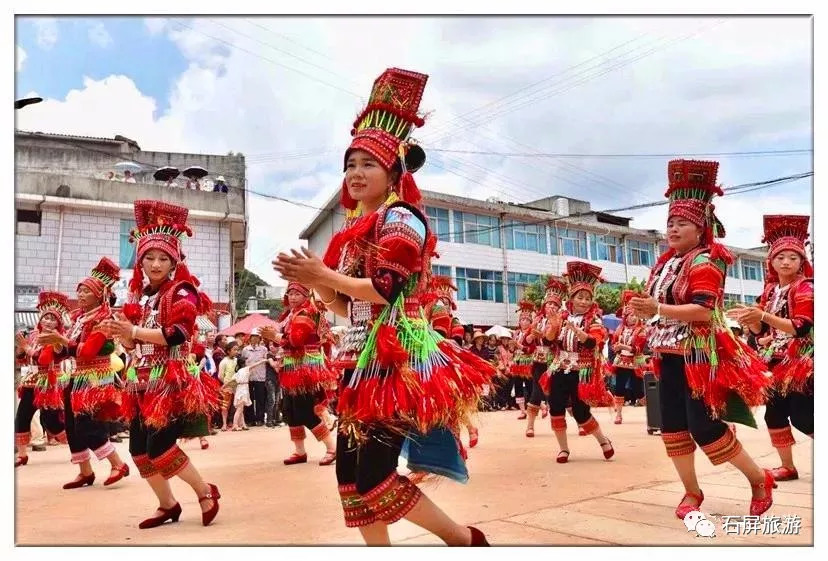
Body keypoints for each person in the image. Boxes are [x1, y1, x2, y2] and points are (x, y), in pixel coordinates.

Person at [273, 67, 494, 546]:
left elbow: (388, 288)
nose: (355, 174)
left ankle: (461, 538)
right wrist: (316, 284)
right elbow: (344, 306)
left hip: (395, 363)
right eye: (349, 164)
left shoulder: (401, 217)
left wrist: (324, 276)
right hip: (359, 362)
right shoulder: (354, 231)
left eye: (367, 164)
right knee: (351, 482)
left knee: (373, 477)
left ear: (393, 172)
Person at [630, 159, 775, 519]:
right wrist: (641, 318)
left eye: (682, 223)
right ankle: (692, 492)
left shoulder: (707, 260)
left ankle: (759, 479)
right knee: (673, 428)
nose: (673, 229)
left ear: (701, 229)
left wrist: (657, 310)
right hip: (668, 356)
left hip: (698, 356)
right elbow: (655, 308)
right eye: (670, 223)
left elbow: (704, 311)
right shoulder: (664, 265)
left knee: (704, 427)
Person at [99, 200, 221, 529]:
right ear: (140, 261)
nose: (155, 263)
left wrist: (134, 330)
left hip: (169, 381)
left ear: (174, 262)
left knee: (161, 448)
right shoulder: (143, 298)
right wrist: (121, 334)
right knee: (139, 451)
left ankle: (205, 490)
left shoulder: (183, 290)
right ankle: (167, 505)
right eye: (149, 257)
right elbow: (133, 344)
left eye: (163, 258)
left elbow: (178, 334)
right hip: (141, 381)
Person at [727, 214, 813, 482]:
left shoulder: (807, 287)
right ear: (772, 261)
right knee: (774, 414)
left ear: (802, 262)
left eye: (793, 257)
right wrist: (751, 321)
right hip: (777, 363)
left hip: (804, 362)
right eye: (780, 257)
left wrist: (762, 316)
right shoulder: (770, 292)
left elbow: (802, 327)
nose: (786, 262)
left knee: (802, 416)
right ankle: (787, 466)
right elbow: (762, 332)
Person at [38, 258, 130, 489]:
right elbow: (68, 351)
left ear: (99, 295)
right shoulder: (79, 319)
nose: (80, 295)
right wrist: (55, 344)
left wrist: (61, 340)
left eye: (86, 291)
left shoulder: (103, 319)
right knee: (71, 425)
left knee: (88, 426)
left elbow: (88, 352)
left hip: (95, 379)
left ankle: (118, 463)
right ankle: (85, 471)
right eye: (79, 290)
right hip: (77, 377)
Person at [543, 261, 614, 463]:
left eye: (587, 298)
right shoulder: (561, 317)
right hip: (559, 367)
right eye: (580, 297)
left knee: (581, 413)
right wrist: (551, 329)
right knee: (556, 407)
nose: (584, 301)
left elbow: (593, 342)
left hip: (581, 370)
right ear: (571, 299)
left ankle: (603, 441)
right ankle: (563, 449)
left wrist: (578, 332)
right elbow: (547, 342)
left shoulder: (595, 321)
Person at [261, 282, 338, 466]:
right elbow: (285, 342)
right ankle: (300, 451)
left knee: (306, 411)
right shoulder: (290, 315)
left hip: (305, 370)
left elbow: (296, 340)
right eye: (290, 294)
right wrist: (273, 340)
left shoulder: (306, 314)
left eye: (297, 294)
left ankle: (332, 448)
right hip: (292, 369)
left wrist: (275, 337)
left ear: (306, 296)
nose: (293, 297)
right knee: (289, 411)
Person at [15, 291, 70, 467]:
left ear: (58, 323)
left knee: (52, 422)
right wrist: (21, 350)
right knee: (22, 416)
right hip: (31, 381)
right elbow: (23, 359)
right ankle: (22, 454)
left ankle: (76, 445)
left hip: (48, 384)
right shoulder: (32, 335)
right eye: (45, 317)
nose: (47, 321)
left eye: (52, 319)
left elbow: (43, 359)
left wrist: (26, 348)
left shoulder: (56, 339)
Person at [525, 277, 566, 438]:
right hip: (537, 360)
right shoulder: (537, 319)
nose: (551, 306)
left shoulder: (559, 321)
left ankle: (577, 422)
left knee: (557, 394)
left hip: (552, 362)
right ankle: (530, 426)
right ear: (544, 304)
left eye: (555, 304)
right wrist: (531, 336)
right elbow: (527, 340)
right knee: (536, 392)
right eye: (549, 303)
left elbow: (550, 339)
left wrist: (541, 335)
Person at [608, 290, 647, 424]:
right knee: (619, 387)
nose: (633, 318)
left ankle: (652, 412)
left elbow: (638, 349)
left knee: (638, 390)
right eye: (630, 315)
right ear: (625, 317)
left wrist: (623, 347)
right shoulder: (620, 329)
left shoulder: (641, 330)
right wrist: (616, 347)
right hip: (621, 362)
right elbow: (613, 343)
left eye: (635, 315)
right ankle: (618, 414)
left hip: (635, 362)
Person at [510, 301, 537, 420]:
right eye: (522, 319)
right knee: (518, 385)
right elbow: (513, 349)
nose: (524, 322)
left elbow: (531, 350)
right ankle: (522, 410)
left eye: (527, 320)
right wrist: (512, 347)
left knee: (531, 386)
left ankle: (536, 406)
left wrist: (519, 346)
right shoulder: (516, 333)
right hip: (517, 362)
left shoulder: (531, 333)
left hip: (528, 362)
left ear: (530, 322)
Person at [240, 330, 269, 426]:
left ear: (259, 338)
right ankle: (250, 419)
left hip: (260, 377)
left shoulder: (264, 349)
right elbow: (243, 362)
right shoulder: (245, 350)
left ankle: (260, 419)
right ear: (250, 338)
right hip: (249, 377)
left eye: (257, 336)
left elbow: (267, 361)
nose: (255, 338)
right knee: (249, 399)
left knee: (260, 398)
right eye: (253, 336)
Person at [218, 341, 240, 430]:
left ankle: (235, 423)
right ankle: (224, 424)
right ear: (228, 351)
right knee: (225, 406)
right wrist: (227, 383)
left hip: (237, 386)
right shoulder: (224, 362)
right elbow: (220, 376)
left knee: (238, 405)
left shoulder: (237, 360)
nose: (236, 352)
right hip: (227, 387)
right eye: (234, 350)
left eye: (237, 350)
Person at [264, 341, 284, 427]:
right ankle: (269, 420)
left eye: (273, 345)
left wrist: (280, 360)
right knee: (271, 400)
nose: (271, 347)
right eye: (270, 345)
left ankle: (275, 419)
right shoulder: (269, 355)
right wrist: (279, 361)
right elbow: (273, 365)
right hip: (270, 380)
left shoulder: (281, 355)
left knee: (277, 401)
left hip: (279, 380)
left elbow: (279, 368)